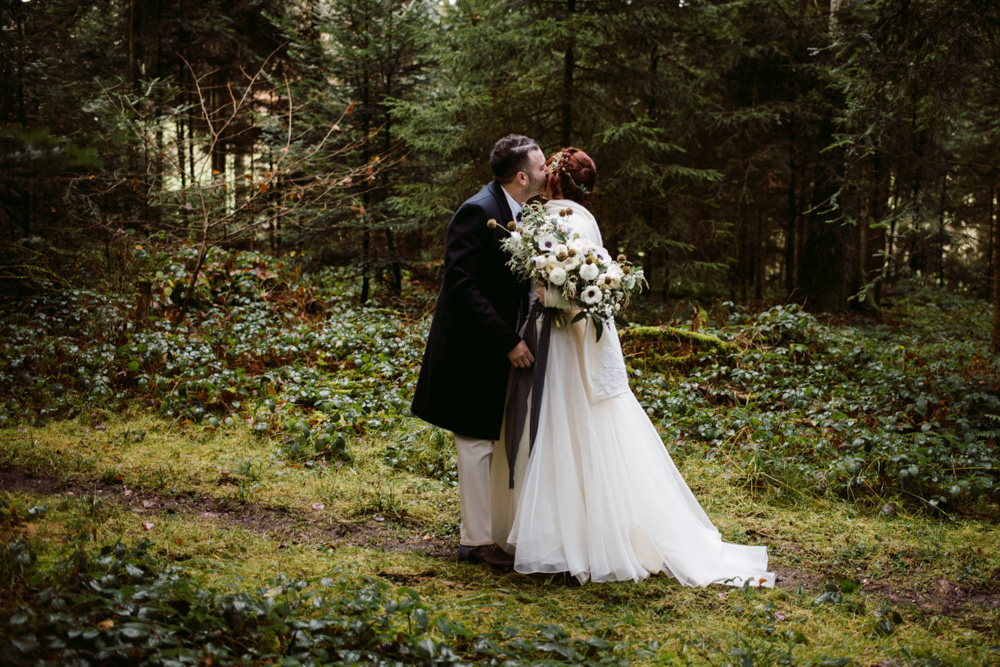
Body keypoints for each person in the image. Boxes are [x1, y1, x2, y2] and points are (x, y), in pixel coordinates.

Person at [490, 147, 776, 587]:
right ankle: (578, 531)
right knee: (575, 426)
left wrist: (553, 298)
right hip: (573, 337)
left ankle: (563, 538)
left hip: (558, 337)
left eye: (549, 169)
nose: (542, 172)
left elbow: (566, 283)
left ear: (555, 180)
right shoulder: (583, 219)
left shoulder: (552, 219)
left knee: (556, 424)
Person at [411, 134, 548, 568]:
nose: (549, 172)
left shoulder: (521, 212)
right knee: (473, 442)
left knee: (491, 440)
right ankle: (475, 542)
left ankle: (490, 531)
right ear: (522, 176)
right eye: (543, 166)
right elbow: (461, 285)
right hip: (470, 347)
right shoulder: (478, 211)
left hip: (498, 344)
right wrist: (507, 340)